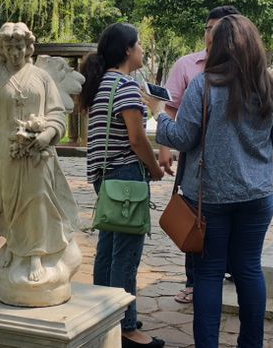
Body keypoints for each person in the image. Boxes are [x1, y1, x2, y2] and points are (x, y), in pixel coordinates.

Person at [145, 15, 273, 347]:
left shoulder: (204, 85)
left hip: (210, 198)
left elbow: (181, 136)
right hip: (258, 195)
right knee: (249, 269)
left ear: (217, 45)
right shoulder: (272, 88)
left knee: (208, 274)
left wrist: (157, 111)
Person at [79, 23, 165, 348]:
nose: (142, 50)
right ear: (128, 50)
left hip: (105, 179)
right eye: (139, 45)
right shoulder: (126, 87)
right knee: (126, 255)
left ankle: (104, 317)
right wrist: (154, 167)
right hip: (126, 177)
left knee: (108, 250)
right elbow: (137, 138)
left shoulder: (101, 86)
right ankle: (126, 328)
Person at [0, 22, 80, 287]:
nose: (15, 53)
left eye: (19, 47)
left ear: (28, 47)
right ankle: (14, 245)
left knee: (37, 200)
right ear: (2, 49)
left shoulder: (42, 78)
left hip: (37, 153)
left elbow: (56, 113)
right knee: (10, 199)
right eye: (9, 48)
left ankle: (36, 253)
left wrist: (46, 134)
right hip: (7, 152)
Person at [159, 5, 241, 304]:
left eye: (217, 29)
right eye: (208, 28)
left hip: (235, 164)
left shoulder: (248, 69)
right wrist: (165, 148)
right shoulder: (188, 66)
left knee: (228, 221)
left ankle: (228, 271)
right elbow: (170, 106)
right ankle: (194, 280)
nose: (211, 35)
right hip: (195, 160)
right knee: (194, 217)